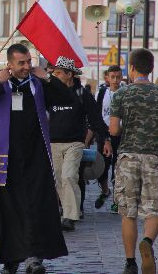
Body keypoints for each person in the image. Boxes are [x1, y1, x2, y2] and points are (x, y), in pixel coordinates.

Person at [0, 43, 69, 274]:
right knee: (8, 209)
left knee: (35, 206)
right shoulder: (1, 86)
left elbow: (67, 98)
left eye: (29, 62)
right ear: (10, 64)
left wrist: (47, 77)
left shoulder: (38, 85)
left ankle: (33, 257)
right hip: (6, 158)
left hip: (36, 157)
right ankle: (10, 259)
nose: (27, 67)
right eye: (22, 63)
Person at [109, 48, 158, 274]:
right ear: (151, 68)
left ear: (131, 68)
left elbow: (114, 130)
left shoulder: (121, 94)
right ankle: (147, 242)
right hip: (155, 156)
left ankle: (130, 263)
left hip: (128, 156)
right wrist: (155, 129)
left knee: (128, 211)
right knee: (154, 207)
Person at [49, 56, 110, 231]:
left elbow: (96, 119)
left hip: (75, 143)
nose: (55, 75)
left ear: (69, 75)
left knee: (69, 176)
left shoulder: (82, 94)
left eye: (58, 73)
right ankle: (64, 211)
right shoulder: (51, 92)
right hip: (53, 142)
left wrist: (105, 139)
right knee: (59, 179)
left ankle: (70, 216)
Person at [95, 65, 123, 213]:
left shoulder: (125, 93)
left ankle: (117, 200)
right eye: (112, 77)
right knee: (102, 167)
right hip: (104, 134)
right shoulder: (101, 93)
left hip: (120, 134)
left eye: (118, 77)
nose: (115, 80)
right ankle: (105, 191)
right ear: (107, 78)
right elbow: (96, 115)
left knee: (118, 168)